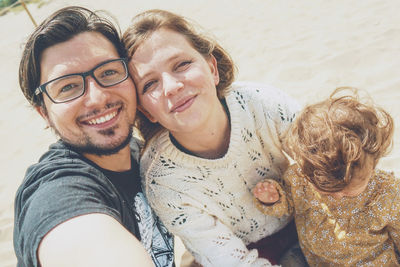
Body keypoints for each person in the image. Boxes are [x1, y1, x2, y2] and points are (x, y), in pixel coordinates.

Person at [123, 9, 304, 266]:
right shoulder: (163, 181)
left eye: (181, 65)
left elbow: (332, 167)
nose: (172, 86)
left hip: (305, 219)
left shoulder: (262, 104)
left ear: (211, 68)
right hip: (237, 253)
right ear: (145, 111)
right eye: (150, 84)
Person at [13, 6, 174, 267]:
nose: (98, 98)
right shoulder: (57, 195)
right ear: (44, 113)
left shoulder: (147, 153)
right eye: (68, 87)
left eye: (108, 72)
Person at [253, 87, 400, 266]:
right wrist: (274, 199)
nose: (338, 197)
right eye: (327, 192)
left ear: (372, 164)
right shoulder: (299, 180)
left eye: (348, 192)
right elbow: (288, 206)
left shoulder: (386, 194)